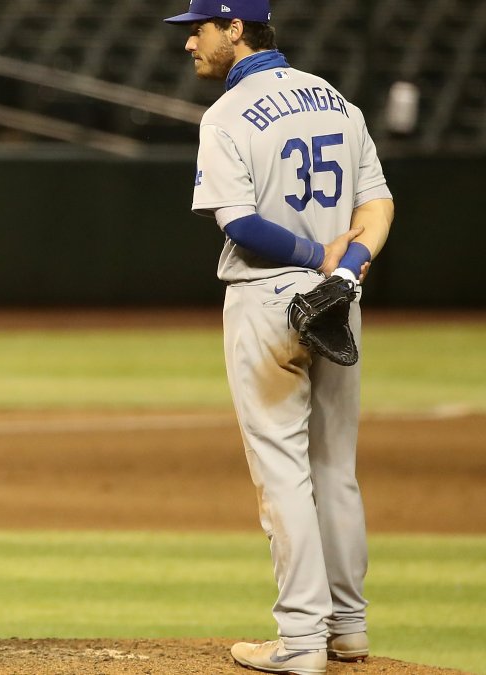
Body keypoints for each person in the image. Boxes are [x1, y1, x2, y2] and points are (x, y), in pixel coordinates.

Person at [163, 2, 394, 673]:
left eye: (197, 30)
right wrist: (348, 267)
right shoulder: (335, 100)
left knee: (282, 471)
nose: (190, 44)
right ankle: (347, 626)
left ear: (235, 29)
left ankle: (299, 639)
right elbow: (377, 203)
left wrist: (318, 254)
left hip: (269, 302)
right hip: (337, 302)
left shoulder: (227, 115)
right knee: (336, 469)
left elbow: (238, 224)